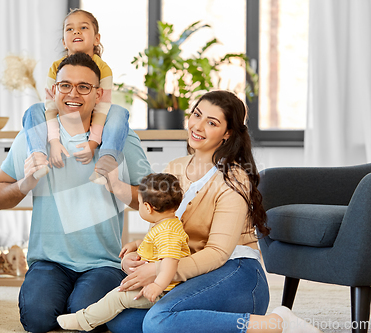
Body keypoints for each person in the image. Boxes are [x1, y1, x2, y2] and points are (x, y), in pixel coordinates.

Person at [101, 90, 322, 333]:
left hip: (236, 274)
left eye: (212, 122)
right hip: (194, 274)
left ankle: (277, 323)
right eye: (197, 115)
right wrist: (143, 250)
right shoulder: (175, 168)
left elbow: (217, 253)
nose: (198, 126)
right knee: (121, 320)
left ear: (227, 133)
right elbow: (168, 232)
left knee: (157, 322)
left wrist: (159, 270)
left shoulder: (233, 178)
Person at [0, 52, 152, 333]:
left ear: (99, 94)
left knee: (84, 314)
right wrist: (25, 183)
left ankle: (76, 300)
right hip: (49, 262)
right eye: (65, 85)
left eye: (83, 87)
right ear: (54, 91)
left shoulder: (121, 139)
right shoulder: (35, 136)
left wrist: (118, 186)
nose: (73, 93)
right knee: (37, 319)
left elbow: (152, 201)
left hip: (104, 263)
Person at [57, 173, 190, 331]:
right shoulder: (167, 224)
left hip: (165, 291)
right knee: (116, 295)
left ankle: (84, 321)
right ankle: (88, 317)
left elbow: (170, 262)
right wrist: (137, 244)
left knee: (117, 297)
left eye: (139, 203)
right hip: (160, 286)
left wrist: (157, 286)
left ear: (148, 207)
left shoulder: (167, 232)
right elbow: (157, 247)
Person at [23, 8, 127, 184]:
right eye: (70, 29)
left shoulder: (103, 69)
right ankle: (38, 157)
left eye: (83, 28)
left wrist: (93, 143)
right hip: (63, 116)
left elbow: (102, 108)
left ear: (97, 39)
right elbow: (50, 106)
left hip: (92, 115)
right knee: (34, 110)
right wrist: (54, 141)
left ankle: (106, 162)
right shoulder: (55, 68)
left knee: (119, 112)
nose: (76, 31)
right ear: (64, 41)